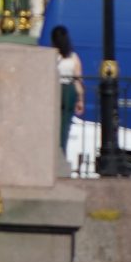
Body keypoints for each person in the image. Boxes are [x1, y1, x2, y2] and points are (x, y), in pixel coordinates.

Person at [50, 25, 83, 169]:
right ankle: (62, 153)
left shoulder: (52, 55)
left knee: (53, 124)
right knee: (65, 126)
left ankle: (53, 153)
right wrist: (81, 99)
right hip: (69, 89)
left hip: (55, 89)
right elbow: (78, 78)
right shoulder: (73, 56)